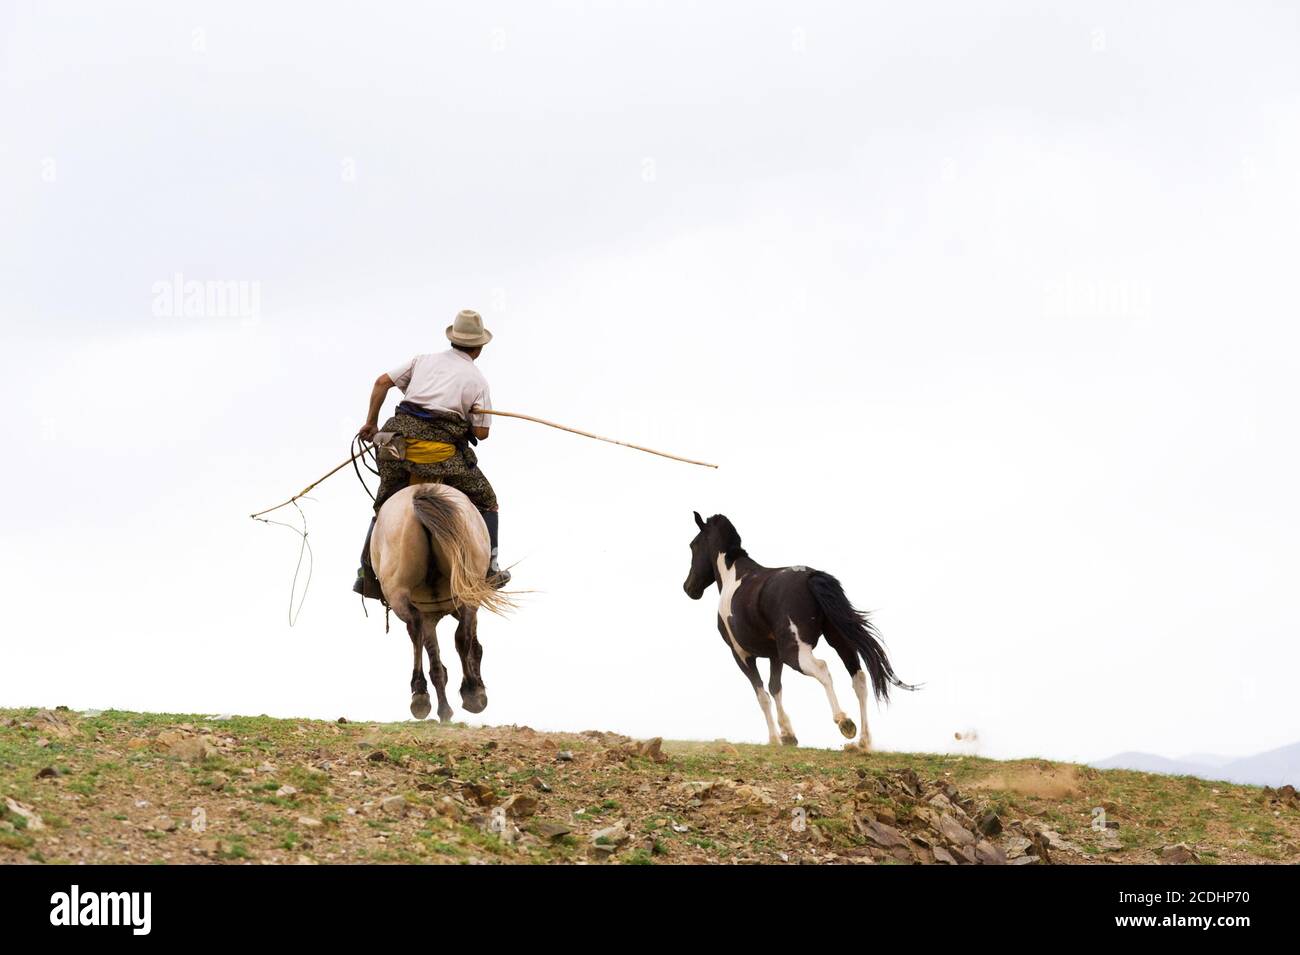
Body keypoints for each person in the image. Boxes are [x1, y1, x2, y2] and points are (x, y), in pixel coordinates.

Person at [353, 309, 509, 600]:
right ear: (479, 347)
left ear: (453, 340)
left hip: (394, 446)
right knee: (489, 501)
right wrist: (470, 415)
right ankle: (490, 567)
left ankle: (365, 571)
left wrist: (371, 423)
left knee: (385, 502)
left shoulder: (422, 361)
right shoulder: (477, 381)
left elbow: (381, 382)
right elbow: (482, 434)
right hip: (438, 455)